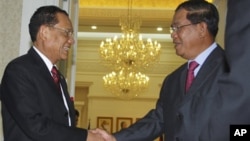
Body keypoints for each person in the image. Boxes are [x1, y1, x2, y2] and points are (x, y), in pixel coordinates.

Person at [93, 0, 228, 141]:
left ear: (201, 28)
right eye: (172, 29)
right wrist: (116, 138)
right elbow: (157, 121)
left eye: (178, 28)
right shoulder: (173, 79)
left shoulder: (232, 71)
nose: (173, 35)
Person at [0, 5, 104, 141]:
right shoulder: (18, 71)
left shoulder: (58, 77)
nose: (71, 40)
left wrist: (88, 134)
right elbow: (35, 126)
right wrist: (85, 136)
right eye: (67, 32)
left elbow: (62, 125)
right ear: (44, 32)